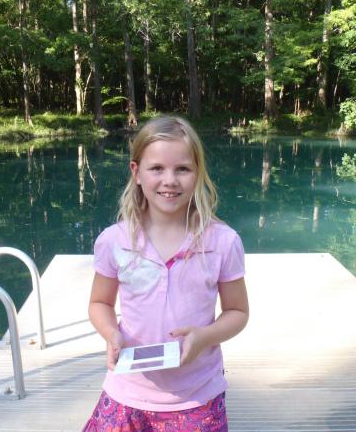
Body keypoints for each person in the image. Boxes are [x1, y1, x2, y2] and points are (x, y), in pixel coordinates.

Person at [83, 115, 249, 431]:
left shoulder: (223, 242)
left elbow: (238, 312)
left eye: (182, 169)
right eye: (157, 168)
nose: (169, 180)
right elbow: (99, 304)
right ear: (137, 173)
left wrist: (205, 337)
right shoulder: (113, 240)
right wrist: (111, 334)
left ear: (198, 173)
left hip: (197, 396)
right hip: (127, 391)